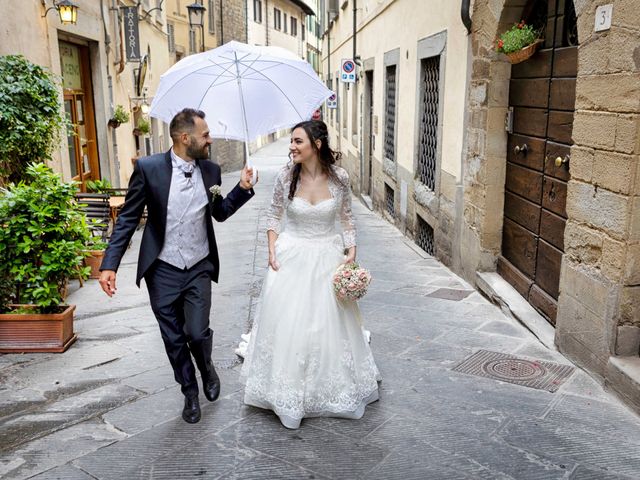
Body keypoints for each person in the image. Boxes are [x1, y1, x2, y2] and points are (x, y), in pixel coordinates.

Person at [99, 108, 256, 424]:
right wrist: (109, 264)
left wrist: (242, 188)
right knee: (173, 339)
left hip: (198, 264)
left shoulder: (211, 170)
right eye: (205, 134)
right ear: (186, 138)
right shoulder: (148, 168)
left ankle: (207, 368)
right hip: (162, 268)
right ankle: (189, 392)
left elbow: (220, 212)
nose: (210, 139)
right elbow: (128, 217)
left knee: (196, 334)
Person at [241, 120, 380, 429]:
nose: (292, 146)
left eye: (297, 141)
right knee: (292, 324)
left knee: (329, 324)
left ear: (316, 144)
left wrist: (351, 252)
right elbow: (274, 214)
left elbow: (346, 218)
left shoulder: (339, 177)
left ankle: (330, 386)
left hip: (328, 257)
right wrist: (272, 249)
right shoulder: (285, 177)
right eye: (291, 141)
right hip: (292, 257)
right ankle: (287, 390)